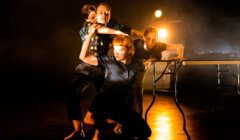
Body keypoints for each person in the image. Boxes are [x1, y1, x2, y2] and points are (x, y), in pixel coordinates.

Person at [64, 3, 142, 140]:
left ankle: (116, 123)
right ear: (88, 19)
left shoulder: (110, 22)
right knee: (72, 91)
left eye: (104, 14)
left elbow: (128, 29)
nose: (99, 18)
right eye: (94, 16)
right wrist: (118, 32)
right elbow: (100, 29)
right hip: (88, 63)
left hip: (103, 64)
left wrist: (143, 34)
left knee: (112, 94)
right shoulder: (88, 26)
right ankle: (78, 128)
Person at [80, 24, 151, 140]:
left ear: (129, 51)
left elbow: (144, 67)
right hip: (104, 103)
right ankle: (101, 130)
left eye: (120, 50)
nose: (116, 53)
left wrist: (151, 60)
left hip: (121, 106)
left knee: (146, 132)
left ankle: (119, 127)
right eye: (115, 49)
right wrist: (89, 35)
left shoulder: (136, 63)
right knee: (97, 128)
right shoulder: (109, 60)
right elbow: (83, 57)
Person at [131, 26, 184, 115]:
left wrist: (179, 56)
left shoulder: (159, 46)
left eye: (154, 40)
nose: (151, 42)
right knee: (131, 89)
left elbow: (179, 46)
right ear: (143, 37)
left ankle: (137, 118)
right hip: (131, 68)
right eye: (148, 39)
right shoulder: (136, 44)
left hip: (141, 70)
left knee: (137, 90)